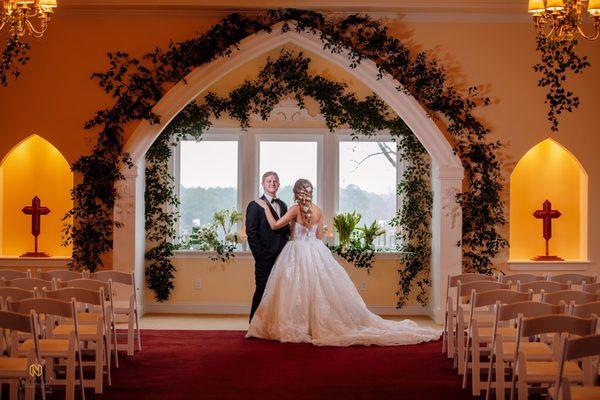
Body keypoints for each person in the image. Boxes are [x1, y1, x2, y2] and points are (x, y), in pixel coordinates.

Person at [246, 178, 441, 346]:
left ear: (297, 193)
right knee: (318, 288)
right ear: (310, 192)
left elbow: (273, 225)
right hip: (316, 251)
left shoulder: (295, 208)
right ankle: (315, 325)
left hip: (297, 251)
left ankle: (300, 325)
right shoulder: (318, 210)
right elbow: (320, 236)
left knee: (297, 289)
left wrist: (264, 207)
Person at [245, 171, 291, 322]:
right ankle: (254, 324)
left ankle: (273, 325)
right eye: (269, 181)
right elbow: (251, 233)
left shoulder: (283, 205)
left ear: (279, 184)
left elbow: (284, 231)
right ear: (263, 184)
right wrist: (260, 256)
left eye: (275, 181)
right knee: (262, 289)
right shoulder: (255, 205)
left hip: (281, 257)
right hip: (264, 257)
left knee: (279, 291)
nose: (272, 183)